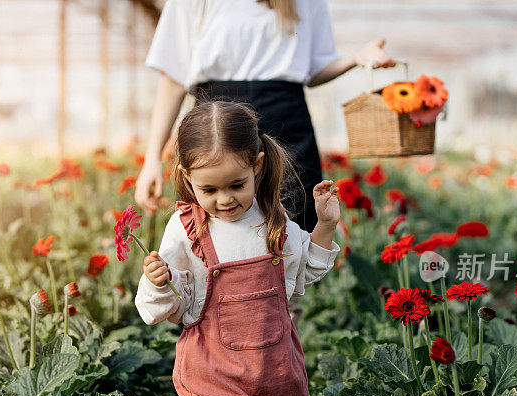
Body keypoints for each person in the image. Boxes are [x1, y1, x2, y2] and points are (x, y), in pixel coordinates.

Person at [134, 101, 341, 396]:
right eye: (209, 190)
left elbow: (306, 272)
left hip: (276, 372)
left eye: (236, 184)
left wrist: (324, 226)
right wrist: (158, 281)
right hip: (214, 374)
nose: (224, 199)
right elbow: (166, 310)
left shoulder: (275, 220)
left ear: (258, 166)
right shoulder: (185, 229)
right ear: (187, 178)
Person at [134, 0, 395, 232]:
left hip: (285, 125)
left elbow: (314, 69)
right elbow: (173, 78)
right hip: (214, 127)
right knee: (213, 236)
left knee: (295, 234)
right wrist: (152, 159)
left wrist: (355, 59)